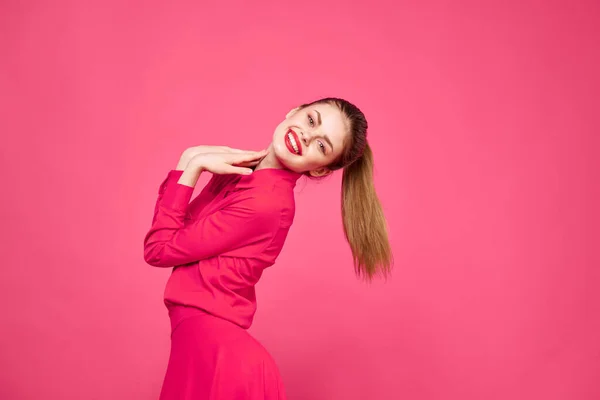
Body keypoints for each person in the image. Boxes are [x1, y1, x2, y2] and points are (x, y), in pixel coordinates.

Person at [143, 97, 393, 399]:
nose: (306, 136)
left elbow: (158, 249)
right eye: (311, 120)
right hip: (202, 343)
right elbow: (175, 235)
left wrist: (190, 164)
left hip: (221, 357)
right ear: (294, 111)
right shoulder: (240, 174)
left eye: (322, 146)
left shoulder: (266, 203)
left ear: (319, 171)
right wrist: (194, 165)